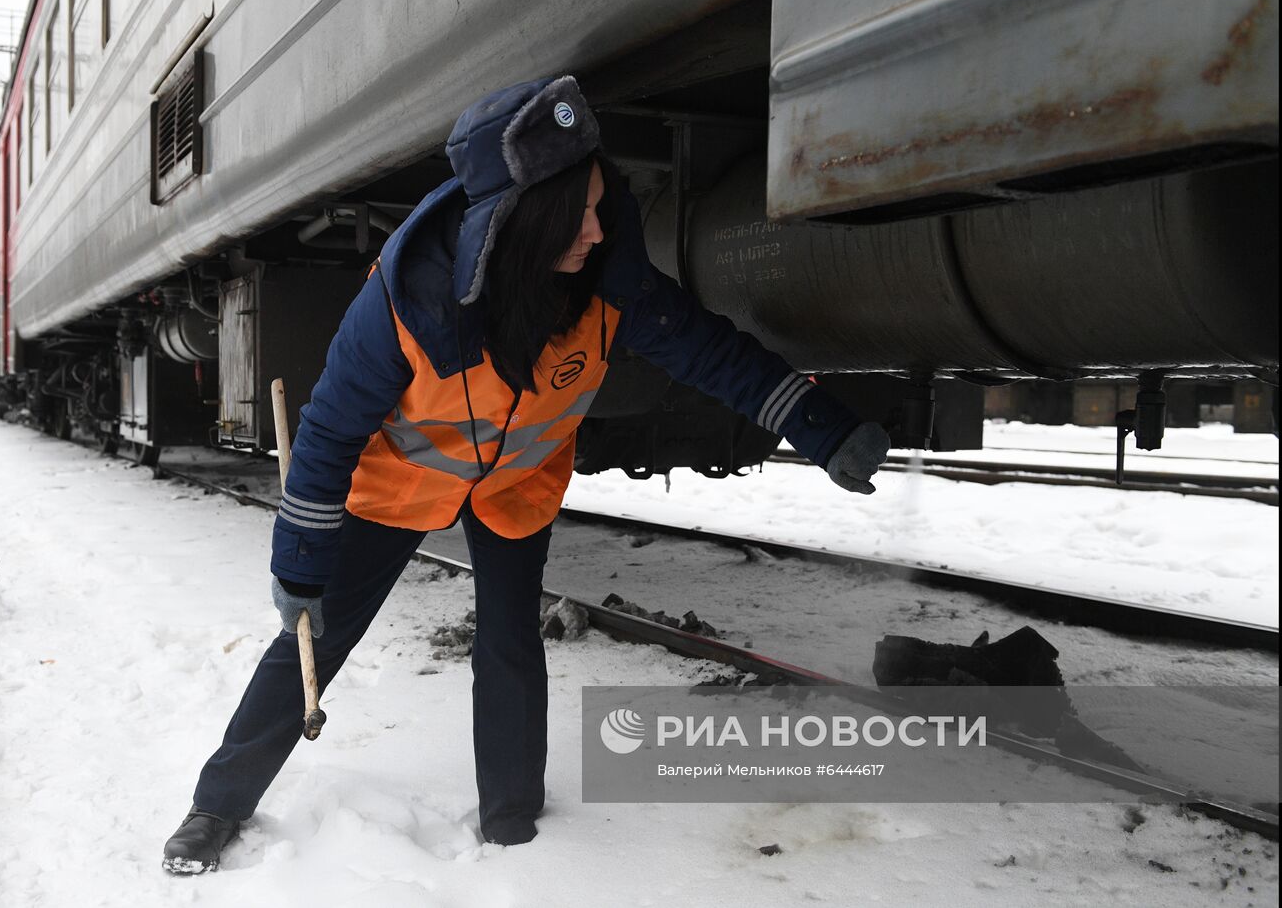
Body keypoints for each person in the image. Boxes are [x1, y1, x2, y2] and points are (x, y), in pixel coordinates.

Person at [162, 76, 889, 873]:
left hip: (518, 482)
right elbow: (331, 430)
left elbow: (712, 352)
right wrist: (298, 561)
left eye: (598, 204)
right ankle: (216, 803)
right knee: (315, 634)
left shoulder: (611, 282)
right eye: (573, 216)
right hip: (403, 481)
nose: (594, 229)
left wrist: (821, 427)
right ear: (516, 222)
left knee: (510, 640)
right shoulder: (408, 303)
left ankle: (512, 815)